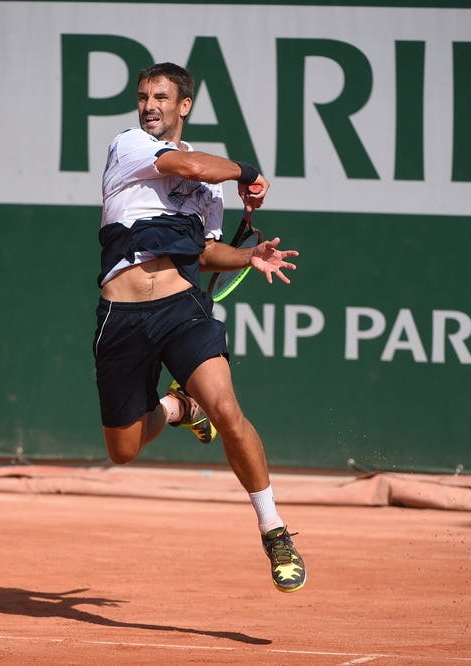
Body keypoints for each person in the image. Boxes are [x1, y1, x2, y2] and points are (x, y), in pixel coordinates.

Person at [93, 62, 305, 593]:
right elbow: (195, 170)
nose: (149, 106)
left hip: (181, 310)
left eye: (160, 97)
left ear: (183, 105)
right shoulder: (132, 145)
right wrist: (248, 170)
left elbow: (203, 253)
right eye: (143, 96)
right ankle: (177, 407)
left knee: (228, 409)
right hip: (121, 317)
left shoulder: (205, 192)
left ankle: (274, 529)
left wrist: (248, 256)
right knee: (123, 450)